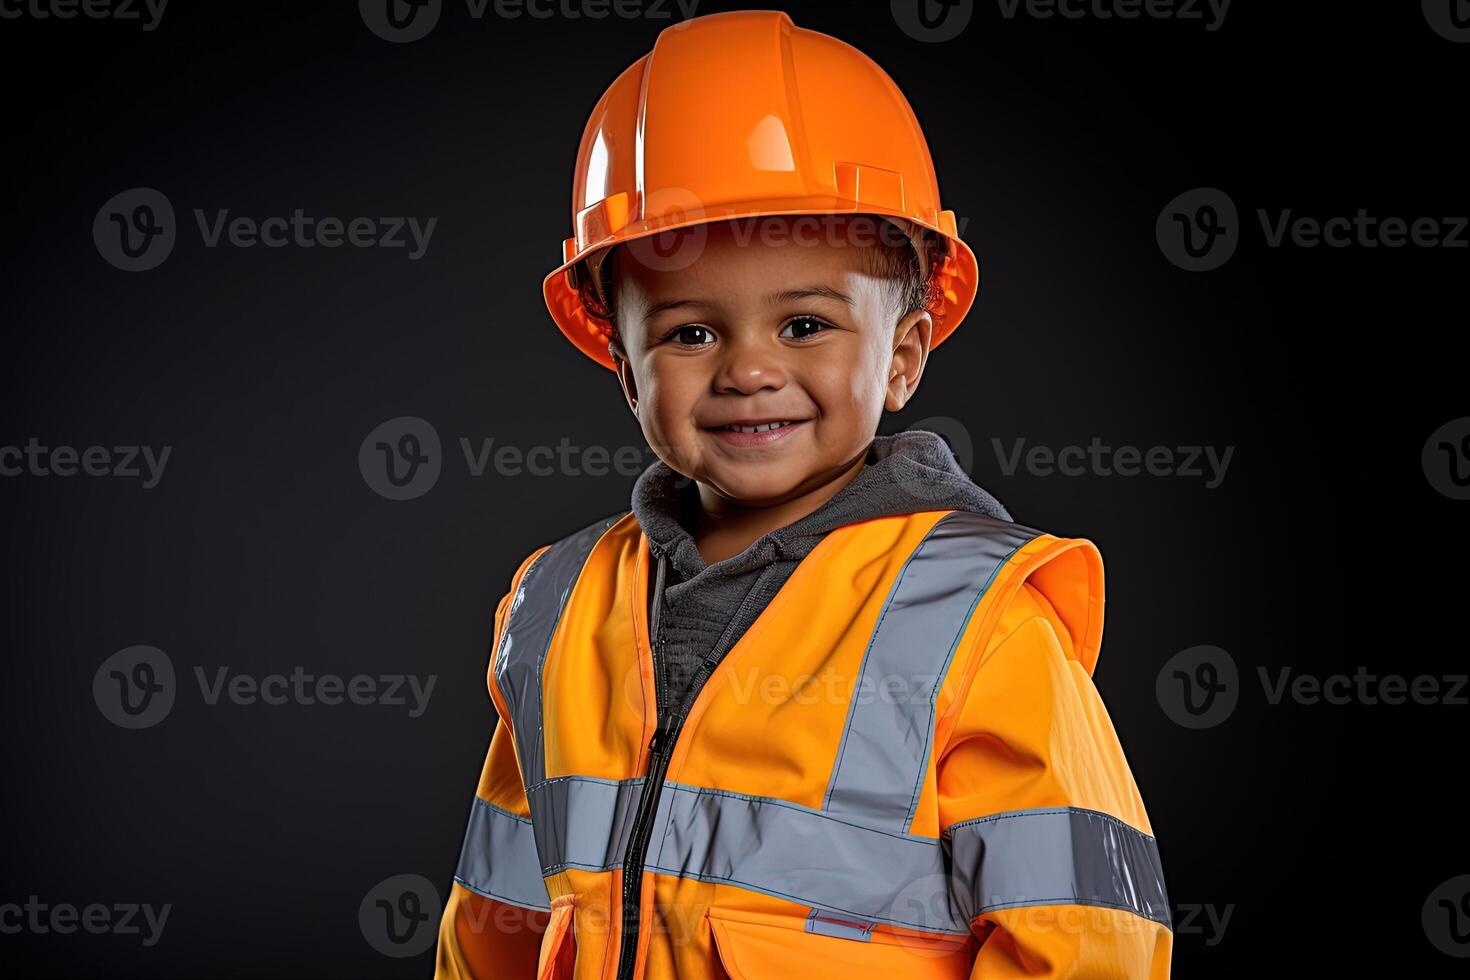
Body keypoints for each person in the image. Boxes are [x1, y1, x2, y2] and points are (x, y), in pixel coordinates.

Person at [435, 10, 1171, 979]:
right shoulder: (554, 606)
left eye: (806, 324)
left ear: (903, 356)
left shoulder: (974, 622)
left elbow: (1085, 941)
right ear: (623, 364)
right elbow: (497, 913)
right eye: (690, 333)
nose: (747, 370)